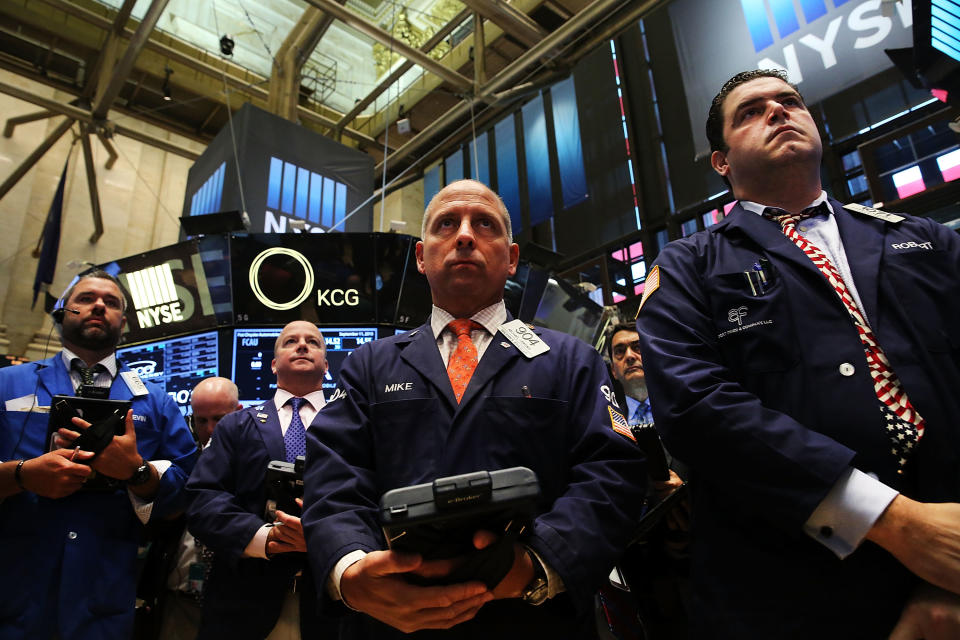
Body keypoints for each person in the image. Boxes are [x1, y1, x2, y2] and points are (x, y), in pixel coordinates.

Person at [635, 69, 960, 639]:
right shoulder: (688, 267)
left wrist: (944, 573)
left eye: (789, 101)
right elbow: (695, 408)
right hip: (789, 592)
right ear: (721, 161)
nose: (778, 112)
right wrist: (894, 522)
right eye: (750, 112)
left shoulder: (922, 238)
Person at [301, 179, 648, 638]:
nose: (465, 235)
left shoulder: (571, 360)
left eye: (484, 224)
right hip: (390, 621)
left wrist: (540, 565)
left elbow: (611, 473)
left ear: (512, 260)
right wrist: (352, 572)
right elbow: (332, 478)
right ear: (422, 258)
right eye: (448, 224)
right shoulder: (369, 364)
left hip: (534, 620)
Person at [0, 270, 198, 640]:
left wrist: (137, 472)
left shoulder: (154, 401)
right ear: (63, 312)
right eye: (86, 298)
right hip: (15, 583)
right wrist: (22, 475)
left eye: (111, 303)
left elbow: (188, 488)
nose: (99, 306)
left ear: (123, 322)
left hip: (103, 594)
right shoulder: (6, 383)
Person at [186, 321, 331, 639]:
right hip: (242, 601)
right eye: (290, 341)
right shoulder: (236, 425)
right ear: (274, 364)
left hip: (330, 603)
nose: (302, 345)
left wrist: (330, 536)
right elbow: (201, 499)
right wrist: (263, 538)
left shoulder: (353, 423)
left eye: (313, 342)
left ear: (326, 363)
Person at [156, 377, 242, 640]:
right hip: (179, 601)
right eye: (201, 421)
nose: (211, 429)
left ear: (238, 413)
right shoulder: (182, 463)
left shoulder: (255, 463)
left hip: (234, 605)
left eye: (219, 419)